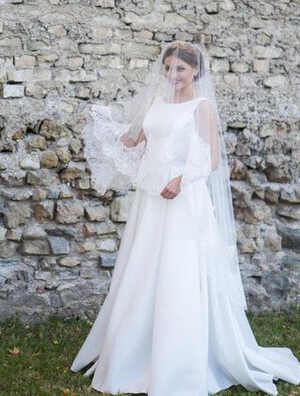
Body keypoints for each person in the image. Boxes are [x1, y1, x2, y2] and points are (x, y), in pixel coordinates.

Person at [71, 41, 300, 396]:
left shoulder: (201, 107)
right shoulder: (156, 104)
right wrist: (103, 123)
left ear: (195, 71)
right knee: (145, 267)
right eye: (168, 68)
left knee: (178, 270)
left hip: (182, 200)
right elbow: (134, 141)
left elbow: (210, 159)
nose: (172, 75)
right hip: (151, 202)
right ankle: (133, 353)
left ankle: (179, 359)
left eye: (180, 69)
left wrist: (180, 181)